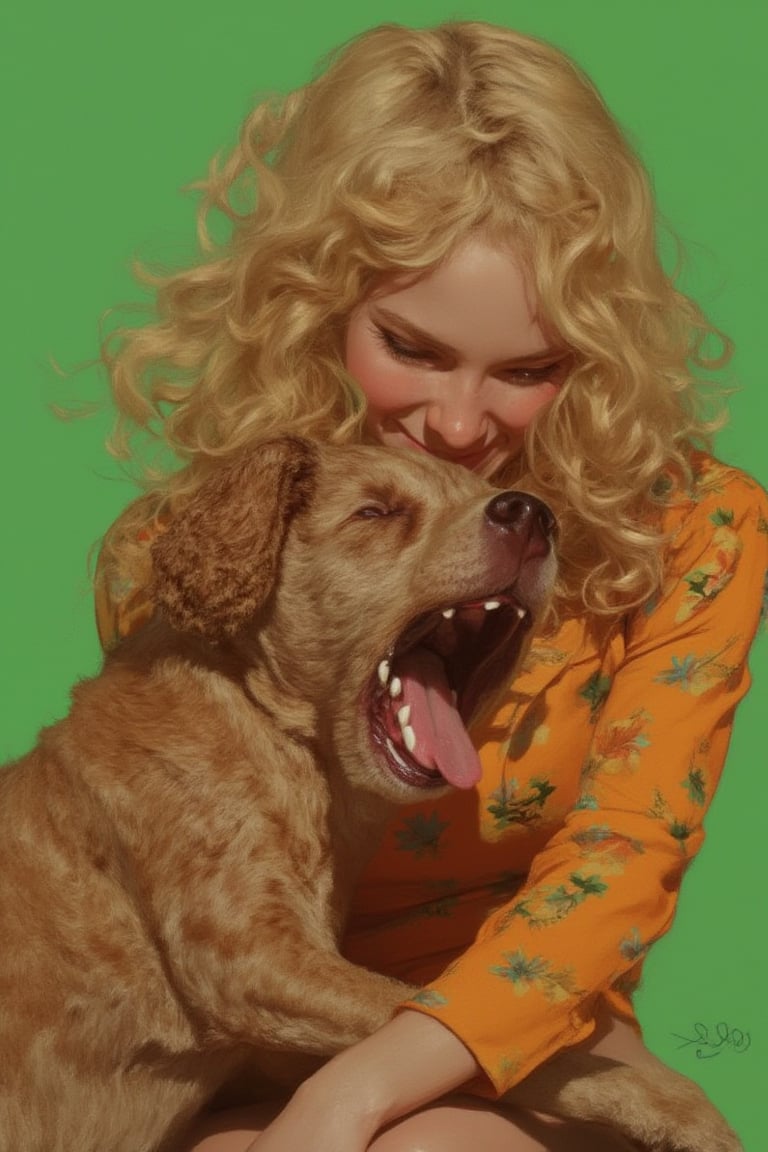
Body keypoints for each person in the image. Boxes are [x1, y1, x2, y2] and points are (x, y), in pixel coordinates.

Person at [94, 21, 767, 1152]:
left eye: (528, 370)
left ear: (592, 354)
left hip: (526, 1032)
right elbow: (188, 886)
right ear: (318, 308)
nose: (460, 426)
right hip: (257, 1028)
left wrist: (347, 1100)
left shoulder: (688, 531)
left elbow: (618, 865)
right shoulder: (186, 551)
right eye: (410, 347)